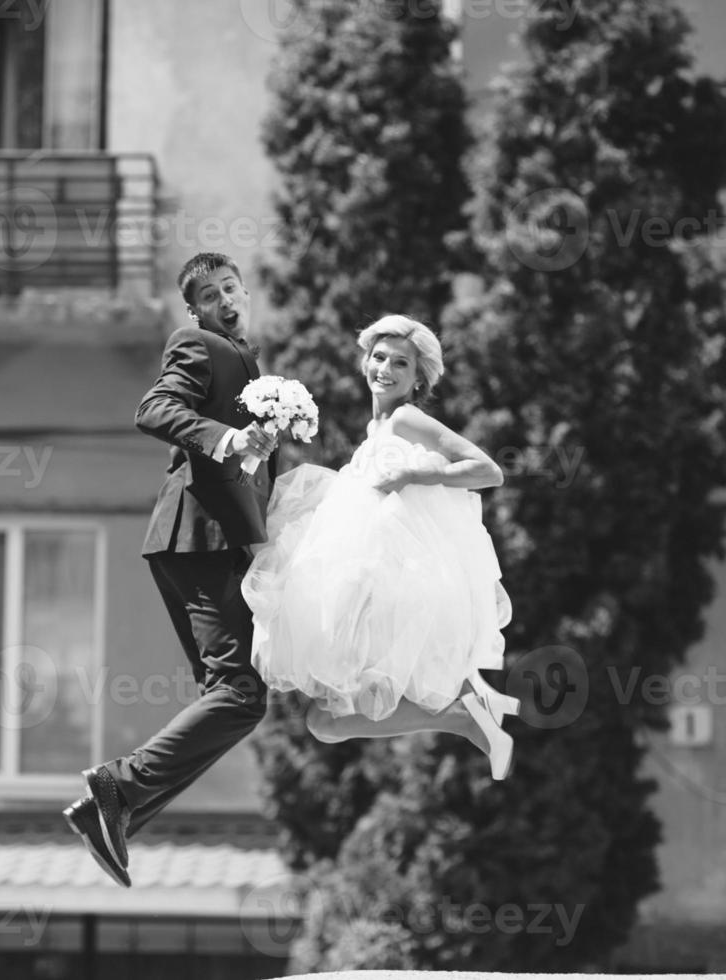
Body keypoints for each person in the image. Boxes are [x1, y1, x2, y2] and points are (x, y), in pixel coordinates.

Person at [63, 252, 280, 888]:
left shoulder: (247, 361)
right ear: (196, 310)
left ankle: (112, 809)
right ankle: (116, 790)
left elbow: (250, 476)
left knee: (233, 695)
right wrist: (226, 438)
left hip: (209, 544)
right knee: (240, 693)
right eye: (210, 294)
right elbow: (154, 409)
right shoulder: (199, 343)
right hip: (198, 538)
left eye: (232, 287)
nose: (225, 299)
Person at [241, 314, 519, 780]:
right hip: (364, 584)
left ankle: (467, 713)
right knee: (323, 723)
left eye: (401, 363)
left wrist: (418, 474)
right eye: (379, 356)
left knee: (325, 719)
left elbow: (489, 470)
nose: (385, 369)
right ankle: (469, 706)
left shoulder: (408, 419)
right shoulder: (376, 432)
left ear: (417, 380)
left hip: (392, 586)